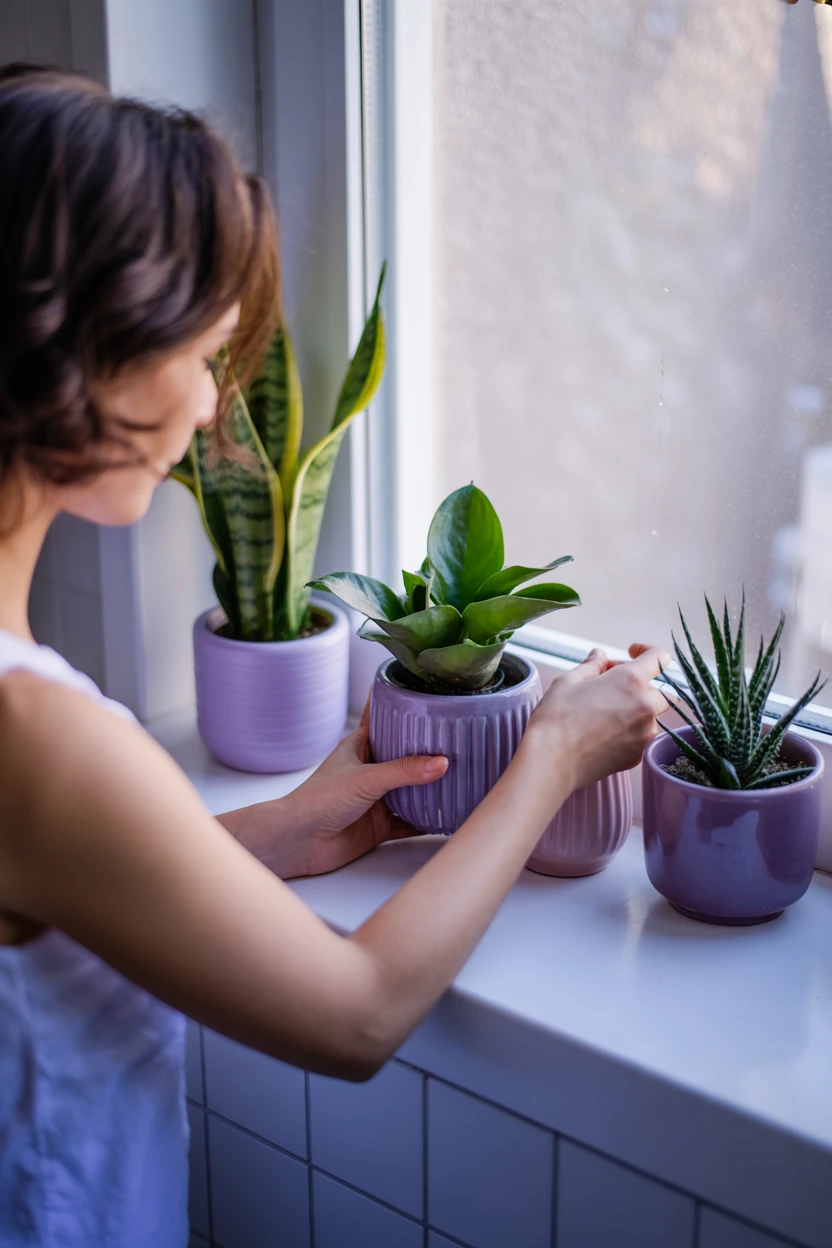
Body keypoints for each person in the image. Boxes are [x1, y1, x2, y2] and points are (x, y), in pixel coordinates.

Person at [0, 65, 668, 1247]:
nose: (214, 409)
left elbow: (43, 886)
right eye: (202, 355)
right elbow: (355, 1020)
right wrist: (552, 756)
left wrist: (271, 833)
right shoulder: (36, 736)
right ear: (78, 349)